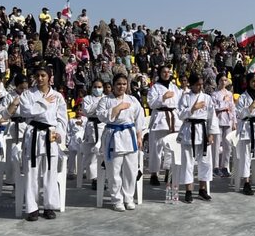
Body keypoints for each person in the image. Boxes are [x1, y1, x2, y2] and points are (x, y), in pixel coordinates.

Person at [18, 65, 68, 221]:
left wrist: (59, 132)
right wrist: (43, 103)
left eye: (43, 75)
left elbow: (62, 118)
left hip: (49, 135)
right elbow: (26, 112)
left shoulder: (58, 96)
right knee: (31, 173)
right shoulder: (27, 94)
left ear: (49, 77)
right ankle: (32, 208)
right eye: (37, 75)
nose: (40, 78)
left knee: (50, 172)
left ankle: (49, 206)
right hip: (33, 135)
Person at [96, 73, 145, 211]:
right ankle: (117, 199)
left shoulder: (133, 100)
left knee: (131, 170)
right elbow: (100, 116)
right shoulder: (105, 100)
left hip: (130, 135)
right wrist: (117, 108)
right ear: (113, 85)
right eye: (118, 84)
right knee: (114, 170)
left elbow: (139, 118)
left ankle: (128, 197)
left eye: (124, 84)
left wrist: (139, 136)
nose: (121, 86)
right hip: (113, 136)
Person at [176, 73, 219, 202]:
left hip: (203, 129)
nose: (200, 87)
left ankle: (202, 189)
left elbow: (212, 116)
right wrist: (192, 109)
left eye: (201, 84)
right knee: (188, 162)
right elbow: (179, 114)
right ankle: (188, 190)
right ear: (191, 84)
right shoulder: (185, 97)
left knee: (205, 162)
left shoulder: (207, 98)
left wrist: (211, 133)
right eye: (197, 84)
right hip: (189, 130)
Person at [146, 65, 182, 185]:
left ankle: (169, 172)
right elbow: (151, 103)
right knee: (156, 148)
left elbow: (180, 103)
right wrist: (163, 97)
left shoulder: (174, 87)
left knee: (170, 147)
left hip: (173, 118)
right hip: (160, 118)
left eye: (168, 72)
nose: (166, 74)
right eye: (164, 72)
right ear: (159, 73)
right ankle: (154, 174)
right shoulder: (155, 88)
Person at [78, 78, 105, 189]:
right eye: (95, 87)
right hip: (91, 126)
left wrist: (99, 107)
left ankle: (103, 178)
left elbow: (106, 112)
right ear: (91, 87)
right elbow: (87, 111)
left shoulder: (107, 98)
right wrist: (99, 105)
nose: (97, 89)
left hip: (103, 126)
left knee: (103, 153)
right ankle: (94, 179)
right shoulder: (87, 98)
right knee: (91, 154)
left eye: (99, 87)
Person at [210, 72, 235, 177]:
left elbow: (233, 108)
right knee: (216, 144)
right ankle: (215, 167)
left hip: (228, 119)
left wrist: (234, 121)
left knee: (227, 144)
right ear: (218, 81)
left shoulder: (229, 93)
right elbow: (213, 108)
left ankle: (225, 166)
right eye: (221, 80)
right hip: (218, 119)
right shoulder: (214, 94)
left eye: (225, 80)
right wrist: (223, 103)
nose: (223, 82)